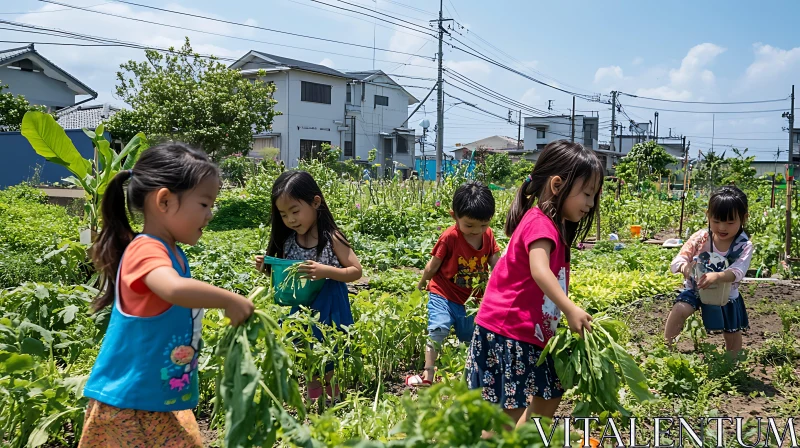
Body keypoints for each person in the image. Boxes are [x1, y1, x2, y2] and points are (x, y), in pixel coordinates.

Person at [79, 143, 255, 447]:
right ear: (164, 201)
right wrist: (228, 299)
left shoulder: (173, 252)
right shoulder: (145, 249)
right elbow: (173, 289)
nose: (210, 214)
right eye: (204, 204)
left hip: (153, 400)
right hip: (128, 404)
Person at [465, 140, 602, 428]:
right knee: (506, 416)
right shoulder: (540, 223)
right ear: (556, 185)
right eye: (587, 194)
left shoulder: (554, 226)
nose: (590, 204)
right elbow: (539, 271)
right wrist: (570, 309)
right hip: (508, 330)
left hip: (532, 334)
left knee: (549, 395)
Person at [255, 170, 363, 404]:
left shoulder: (332, 238)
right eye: (284, 215)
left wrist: (326, 271)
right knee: (306, 349)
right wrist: (266, 267)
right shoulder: (288, 241)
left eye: (295, 211)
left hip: (330, 303)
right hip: (301, 306)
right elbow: (282, 276)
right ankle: (314, 396)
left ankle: (332, 395)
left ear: (315, 202)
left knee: (328, 351)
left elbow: (356, 271)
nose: (290, 220)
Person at [405, 181, 501, 387]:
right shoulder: (450, 237)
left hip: (471, 300)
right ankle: (428, 374)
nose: (477, 231)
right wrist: (422, 283)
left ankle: (468, 375)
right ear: (453, 216)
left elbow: (497, 264)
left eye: (484, 225)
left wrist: (503, 286)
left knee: (469, 336)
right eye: (469, 225)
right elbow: (434, 265)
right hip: (444, 293)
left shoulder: (489, 235)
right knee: (438, 328)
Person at [664, 185, 752, 358]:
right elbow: (678, 259)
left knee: (731, 331)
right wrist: (685, 267)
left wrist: (718, 276)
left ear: (744, 218)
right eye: (716, 221)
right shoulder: (700, 238)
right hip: (696, 288)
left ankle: (732, 363)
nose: (722, 227)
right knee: (680, 309)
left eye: (730, 222)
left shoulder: (743, 246)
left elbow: (738, 271)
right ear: (708, 216)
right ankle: (665, 349)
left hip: (726, 294)